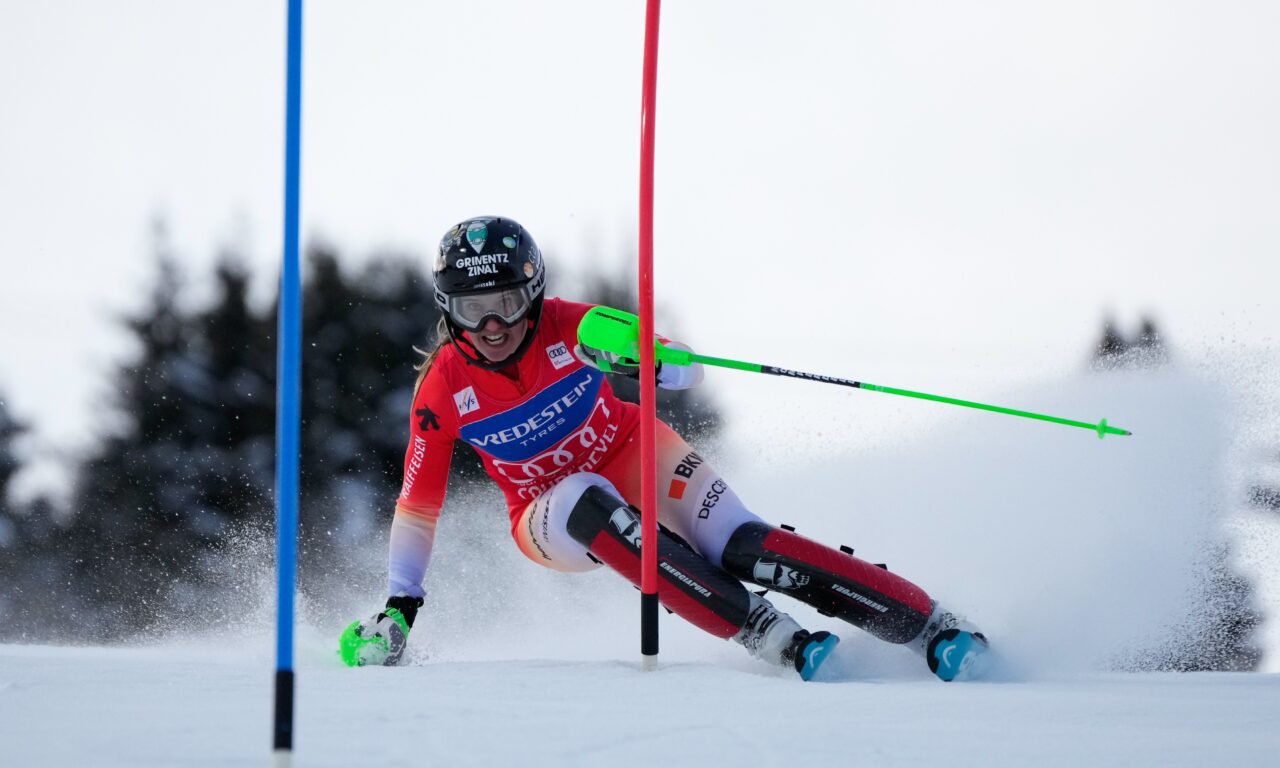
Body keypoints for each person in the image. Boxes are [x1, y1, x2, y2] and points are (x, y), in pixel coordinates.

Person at [339, 216, 988, 681]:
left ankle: (929, 625)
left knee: (742, 545)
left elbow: (686, 368)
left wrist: (645, 363)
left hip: (634, 449)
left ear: (532, 295)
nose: (493, 327)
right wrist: (401, 607)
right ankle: (764, 632)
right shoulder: (444, 388)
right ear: (448, 310)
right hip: (548, 516)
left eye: (506, 303)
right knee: (582, 498)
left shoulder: (576, 323)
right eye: (473, 308)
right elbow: (417, 504)